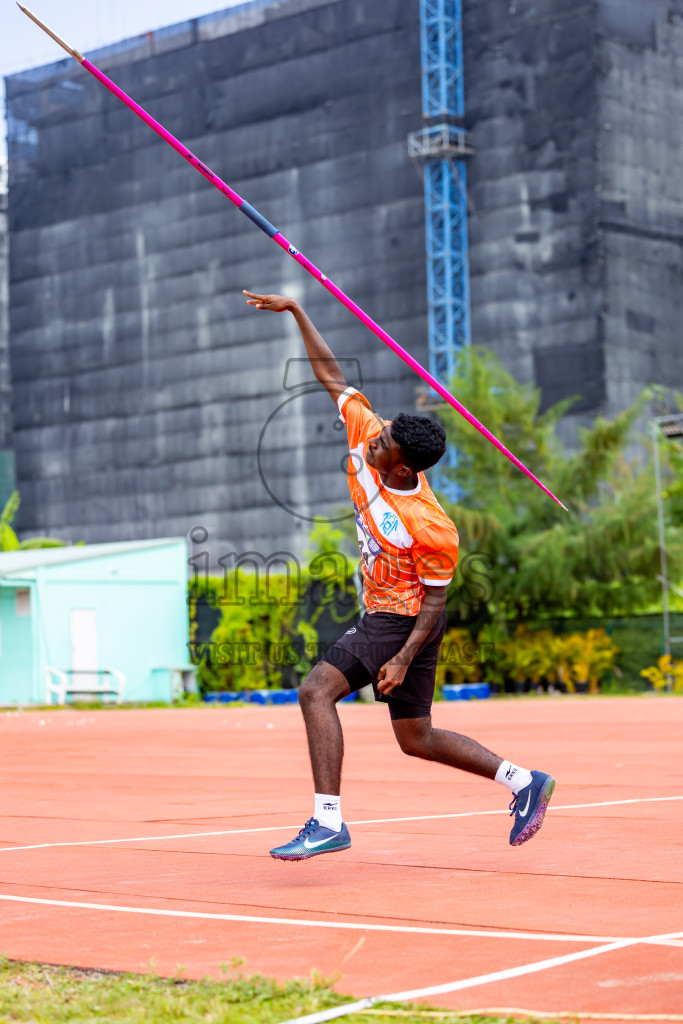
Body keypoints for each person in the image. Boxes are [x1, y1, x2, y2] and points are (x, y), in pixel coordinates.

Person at [243, 290, 555, 860]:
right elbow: (332, 375)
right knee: (417, 738)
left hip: (402, 619)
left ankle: (327, 820)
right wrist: (297, 312)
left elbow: (434, 605)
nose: (371, 439)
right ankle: (521, 781)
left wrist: (402, 656)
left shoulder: (431, 525)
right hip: (391, 618)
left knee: (315, 692)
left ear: (403, 466)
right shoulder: (370, 432)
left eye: (382, 443)